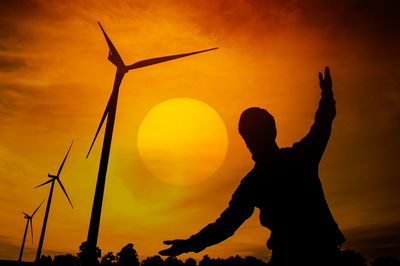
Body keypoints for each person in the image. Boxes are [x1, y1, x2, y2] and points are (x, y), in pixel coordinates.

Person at [159, 67, 345, 265]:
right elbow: (226, 225)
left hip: (311, 256)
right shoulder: (295, 159)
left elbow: (225, 225)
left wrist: (189, 244)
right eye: (248, 135)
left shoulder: (269, 174)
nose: (251, 140)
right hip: (302, 254)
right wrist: (189, 244)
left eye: (252, 134)